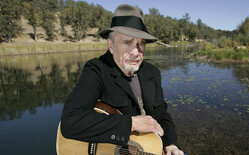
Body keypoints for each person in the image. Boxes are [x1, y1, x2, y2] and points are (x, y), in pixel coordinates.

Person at [61, 4, 184, 155]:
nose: (136, 52)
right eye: (127, 42)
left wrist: (171, 143)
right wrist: (131, 123)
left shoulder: (153, 73)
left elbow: (162, 115)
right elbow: (71, 122)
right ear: (111, 45)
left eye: (141, 44)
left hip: (148, 147)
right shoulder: (97, 70)